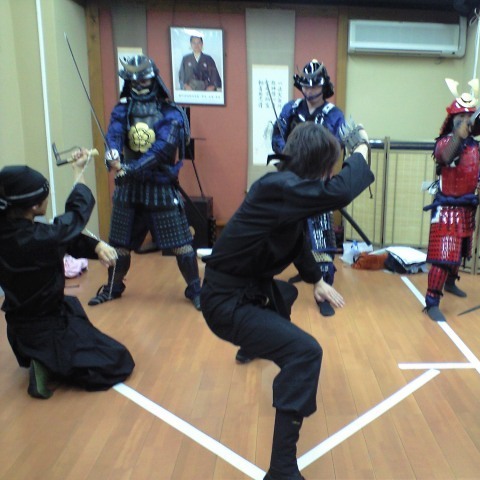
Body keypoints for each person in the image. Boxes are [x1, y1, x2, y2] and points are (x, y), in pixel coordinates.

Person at [201, 122, 373, 480]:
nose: (330, 175)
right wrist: (362, 148)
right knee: (304, 353)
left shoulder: (286, 191)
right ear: (318, 165)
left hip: (247, 291)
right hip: (226, 301)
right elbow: (341, 192)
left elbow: (295, 240)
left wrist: (316, 281)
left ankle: (257, 343)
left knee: (287, 295)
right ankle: (281, 471)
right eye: (329, 167)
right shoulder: (276, 188)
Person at [0, 152, 135, 399]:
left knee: (73, 309)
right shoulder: (38, 239)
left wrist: (96, 246)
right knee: (117, 360)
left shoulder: (16, 232)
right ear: (34, 205)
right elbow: (74, 216)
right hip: (46, 329)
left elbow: (59, 239)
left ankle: (39, 354)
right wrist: (78, 171)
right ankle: (44, 361)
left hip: (19, 327)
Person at [88, 55, 202, 310]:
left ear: (154, 80)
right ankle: (113, 287)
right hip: (129, 189)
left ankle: (196, 290)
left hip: (159, 185)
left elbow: (162, 150)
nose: (139, 86)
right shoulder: (122, 110)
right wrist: (112, 155)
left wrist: (130, 169)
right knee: (120, 244)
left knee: (182, 245)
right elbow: (115, 135)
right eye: (134, 82)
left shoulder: (171, 113)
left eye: (143, 81)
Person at [272, 59, 346, 317]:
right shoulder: (290, 109)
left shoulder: (334, 115)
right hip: (291, 182)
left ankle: (323, 290)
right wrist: (287, 155)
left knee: (322, 239)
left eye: (314, 85)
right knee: (288, 233)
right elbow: (278, 137)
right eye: (305, 85)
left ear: (324, 86)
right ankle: (298, 272)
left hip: (318, 183)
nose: (309, 89)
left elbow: (335, 146)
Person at [423, 78, 480, 322]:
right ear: (452, 120)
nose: (465, 122)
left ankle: (451, 282)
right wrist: (457, 138)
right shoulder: (443, 143)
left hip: (467, 208)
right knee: (443, 257)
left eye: (468, 118)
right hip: (447, 209)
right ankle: (432, 301)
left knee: (460, 251)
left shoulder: (476, 148)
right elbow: (445, 157)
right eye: (460, 118)